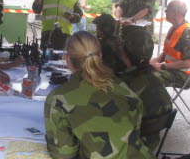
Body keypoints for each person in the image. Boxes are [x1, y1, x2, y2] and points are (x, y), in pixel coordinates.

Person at [44, 31, 154, 159]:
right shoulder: (123, 87)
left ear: (67, 59)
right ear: (100, 56)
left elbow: (62, 155)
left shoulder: (58, 99)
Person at [121, 30, 173, 151]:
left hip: (129, 146)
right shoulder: (157, 80)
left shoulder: (123, 86)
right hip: (152, 144)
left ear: (125, 54)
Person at [150, 0, 190, 89]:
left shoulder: (188, 33)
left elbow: (187, 64)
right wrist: (154, 61)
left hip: (183, 76)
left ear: (175, 13)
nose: (165, 12)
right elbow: (166, 53)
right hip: (172, 71)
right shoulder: (174, 29)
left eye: (167, 10)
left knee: (149, 78)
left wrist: (162, 66)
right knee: (145, 72)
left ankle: (159, 102)